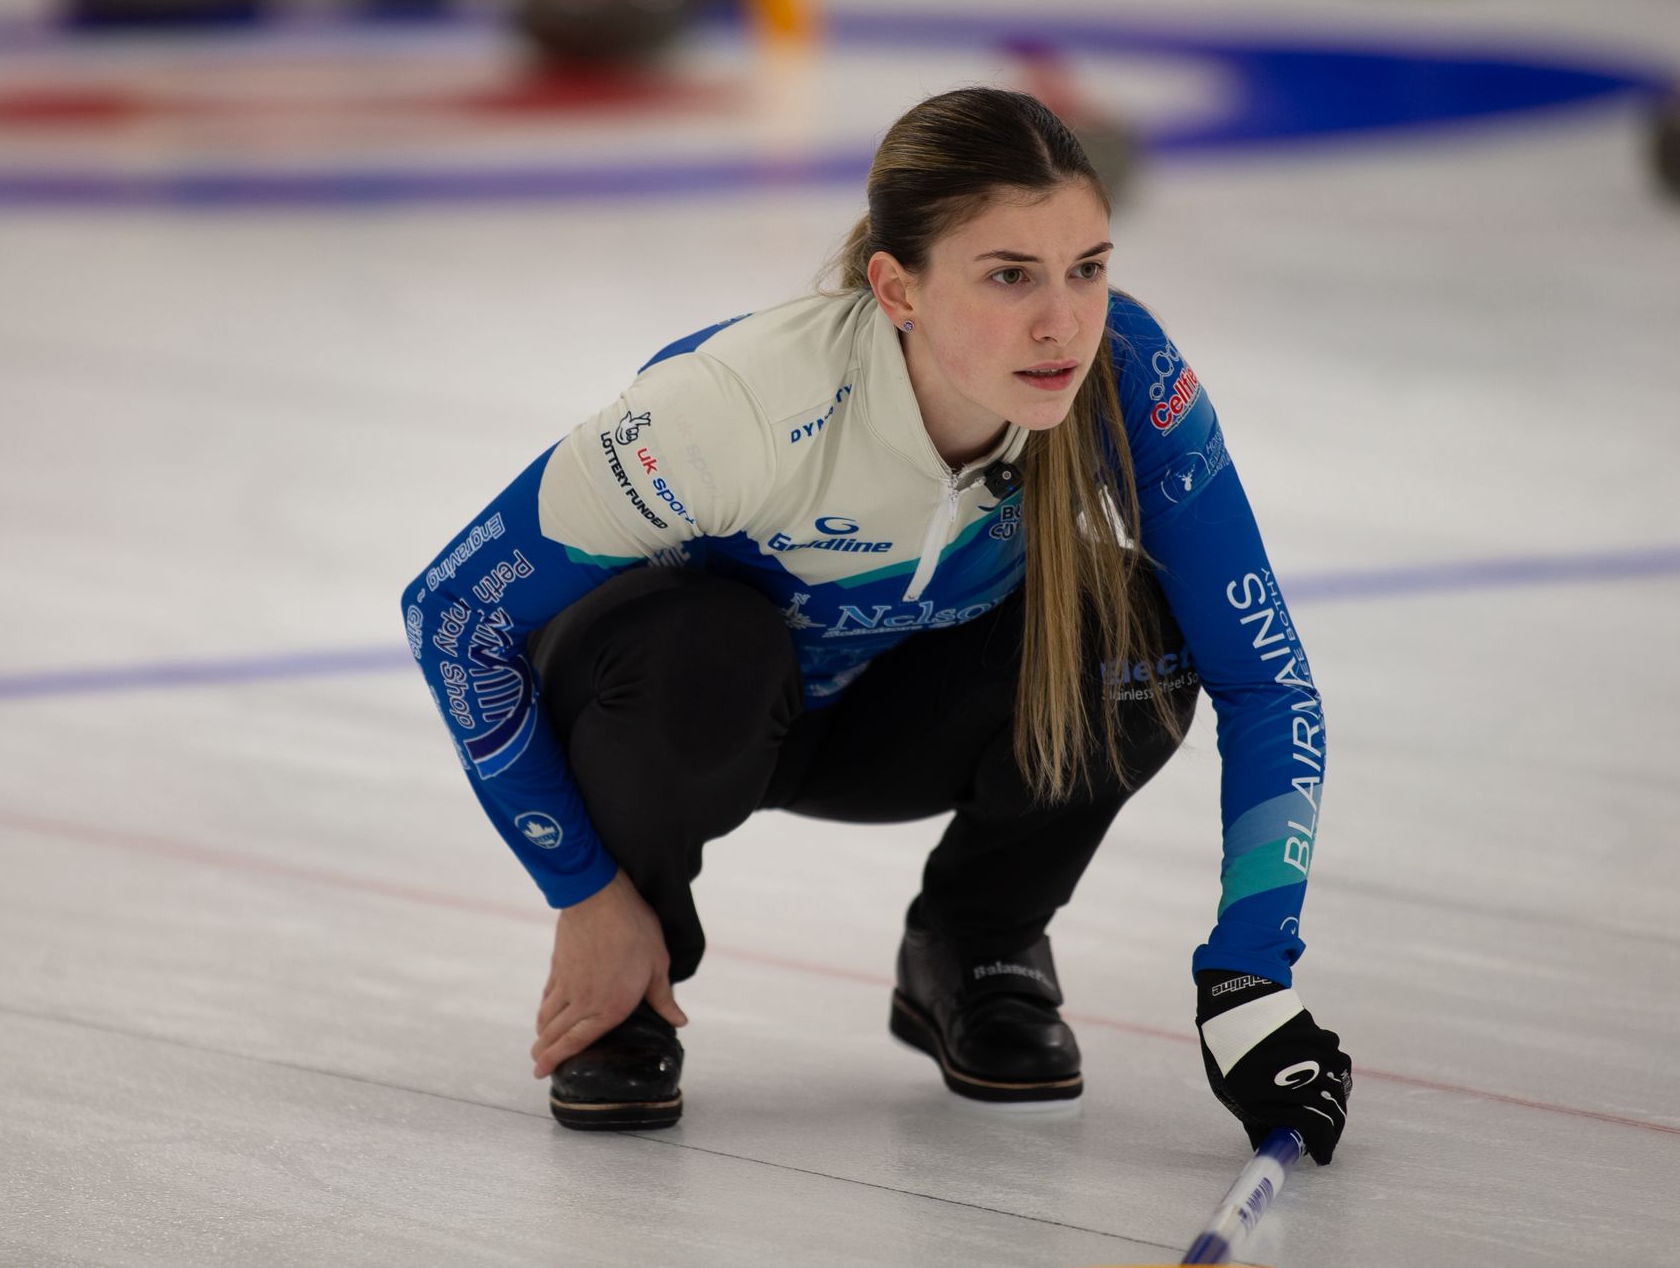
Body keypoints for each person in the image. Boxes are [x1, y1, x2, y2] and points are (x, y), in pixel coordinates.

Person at [400, 87, 1351, 1163]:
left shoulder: (1124, 374)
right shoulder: (733, 410)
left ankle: (975, 948)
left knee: (1134, 620)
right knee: (711, 640)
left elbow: (1264, 678)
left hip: (887, 715)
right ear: (895, 287)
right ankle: (629, 980)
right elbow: (453, 614)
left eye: (1086, 267)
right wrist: (586, 891)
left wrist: (1249, 976)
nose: (1061, 321)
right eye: (1008, 275)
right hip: (681, 709)